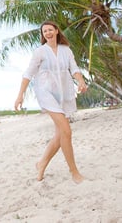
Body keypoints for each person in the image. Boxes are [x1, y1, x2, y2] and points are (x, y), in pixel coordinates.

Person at [14, 20, 88, 183]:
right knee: (67, 131)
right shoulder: (40, 52)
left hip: (64, 93)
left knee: (60, 134)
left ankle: (41, 163)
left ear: (56, 31)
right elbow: (28, 74)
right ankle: (74, 172)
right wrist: (20, 95)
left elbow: (74, 69)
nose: (47, 33)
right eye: (44, 31)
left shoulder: (66, 50)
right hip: (46, 92)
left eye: (49, 30)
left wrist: (81, 81)